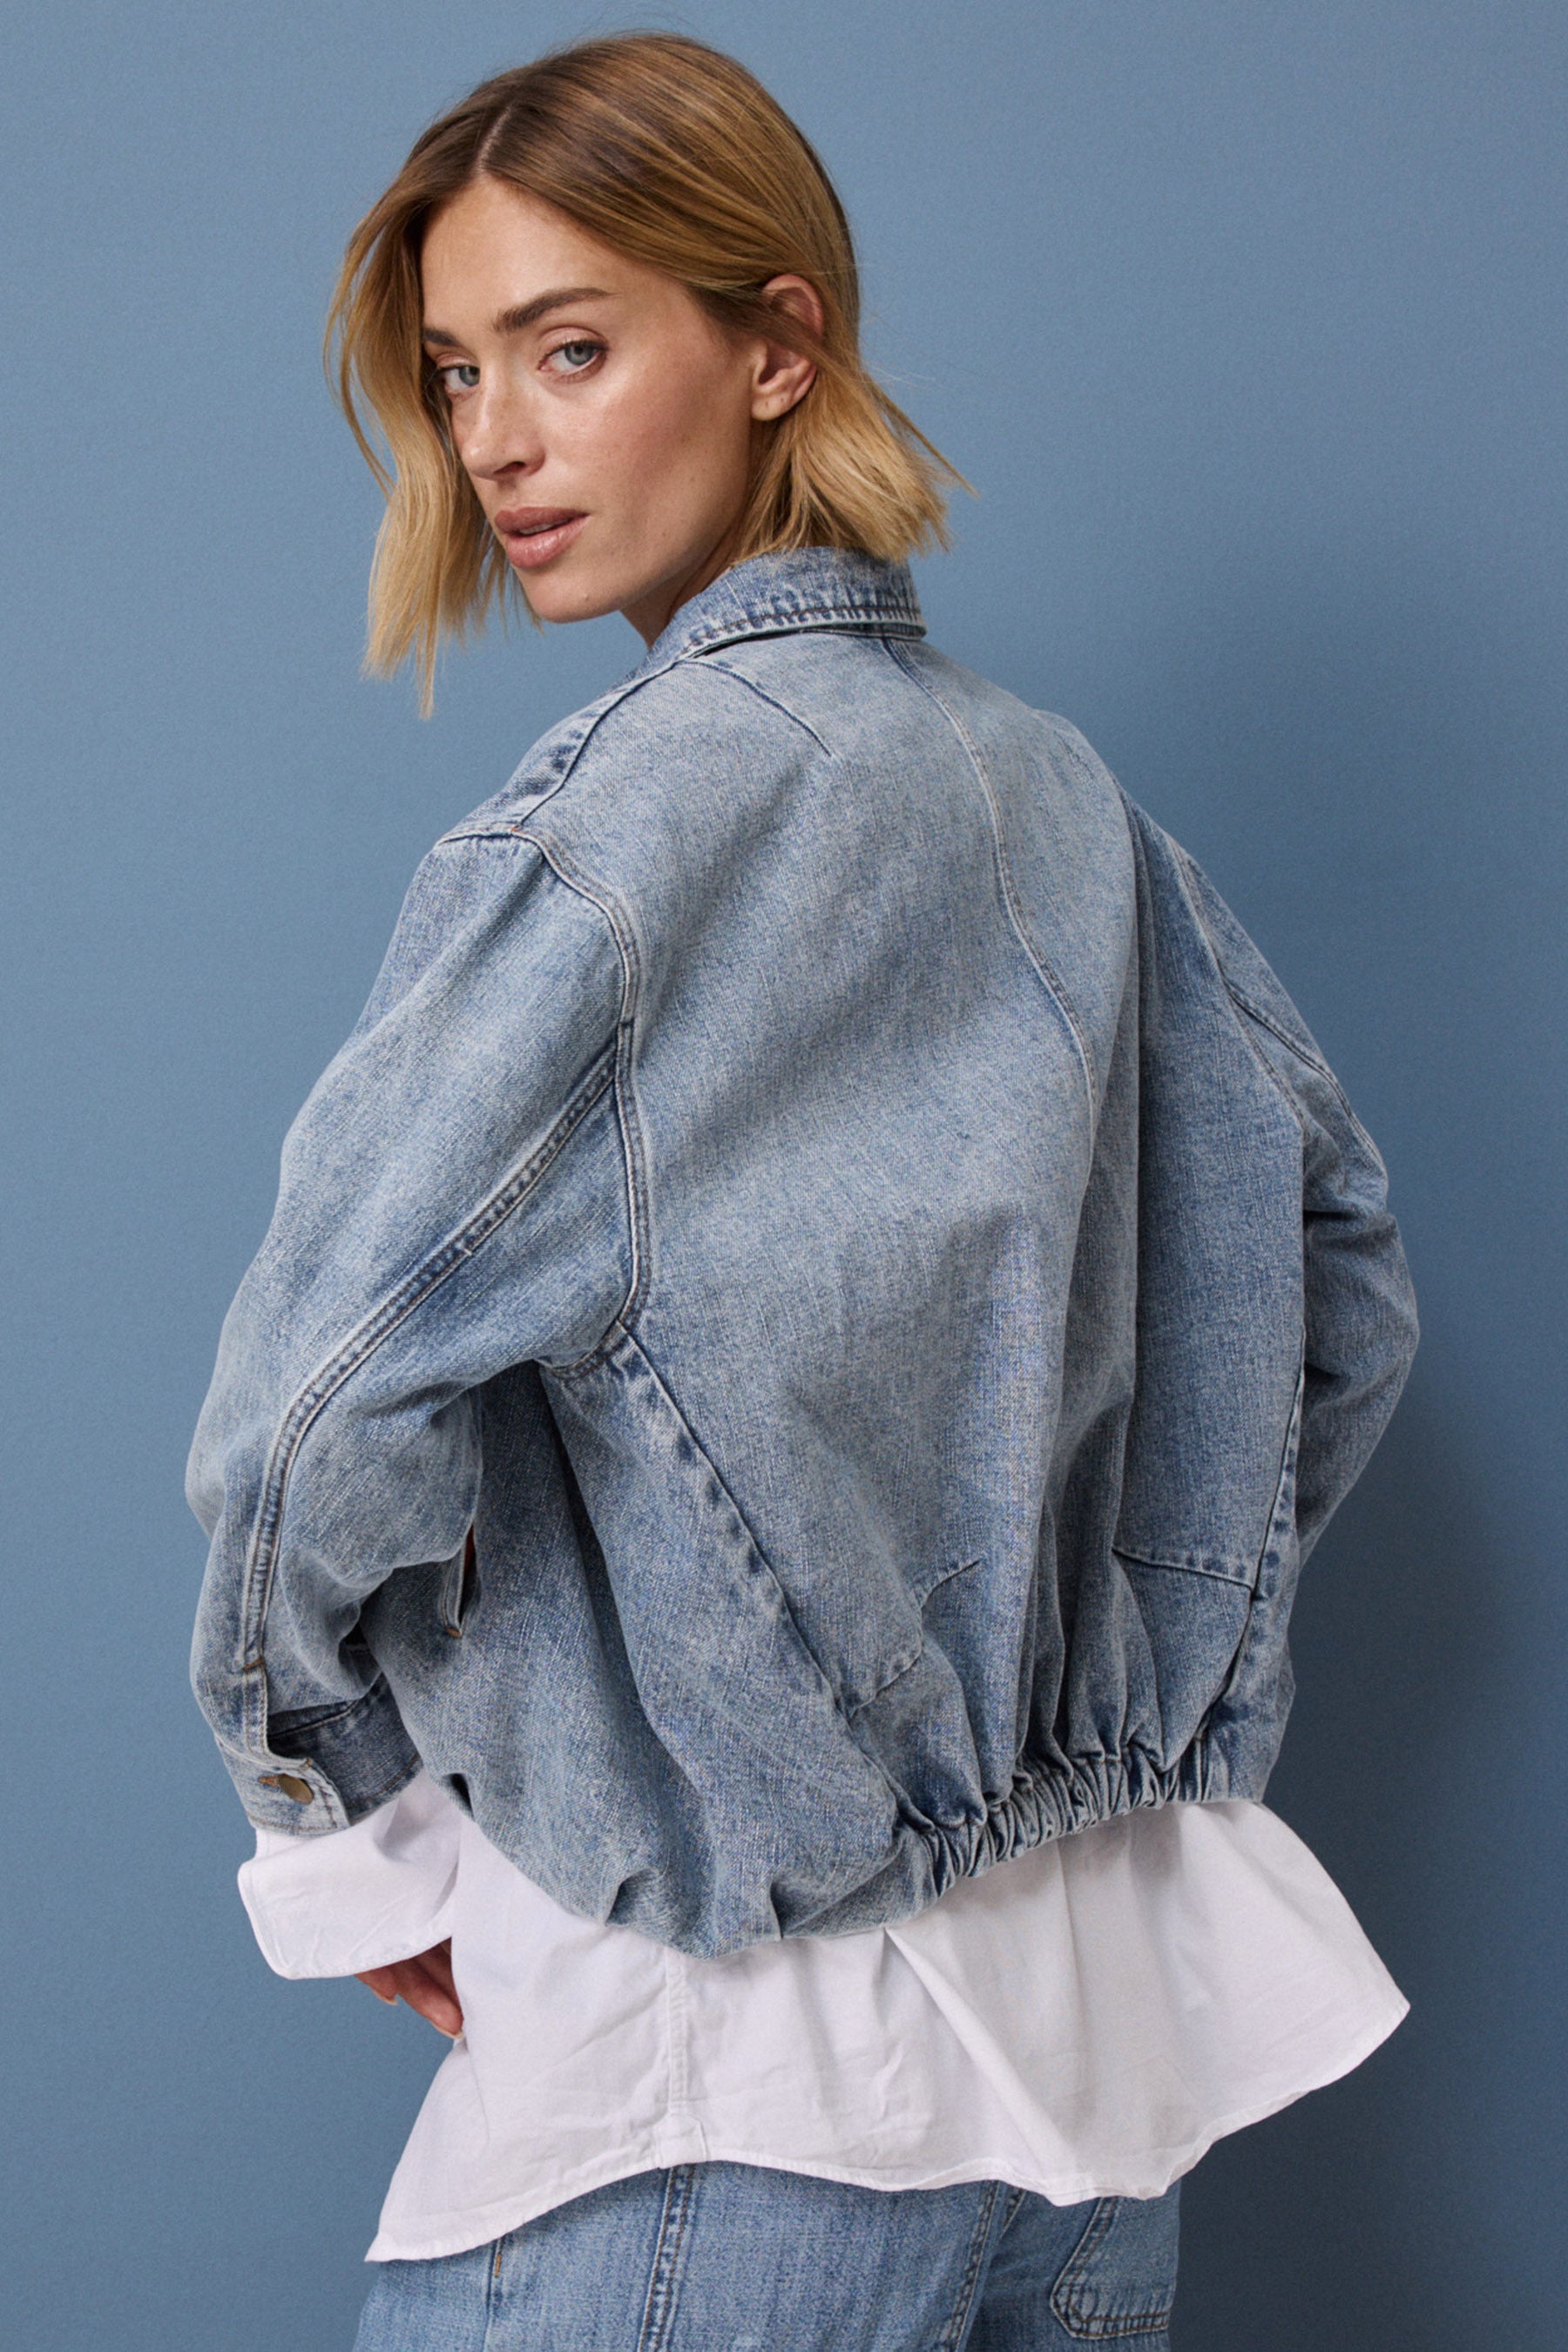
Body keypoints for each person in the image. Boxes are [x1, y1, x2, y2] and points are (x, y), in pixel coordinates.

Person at [186, 30, 1420, 2351]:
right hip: (1087, 2118)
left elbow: (311, 1421)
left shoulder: (602, 845)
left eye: (570, 348)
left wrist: (355, 1836)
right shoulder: (1070, 807)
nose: (496, 440)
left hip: (707, 2097)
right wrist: (1108, 1689)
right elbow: (1329, 1286)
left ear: (779, 343)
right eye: (456, 373)